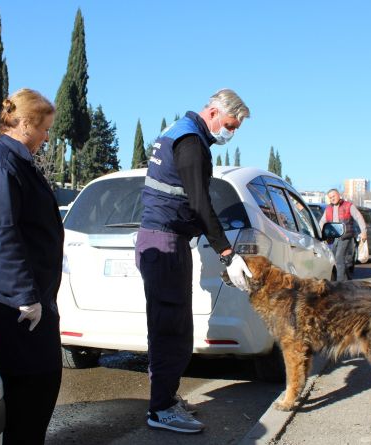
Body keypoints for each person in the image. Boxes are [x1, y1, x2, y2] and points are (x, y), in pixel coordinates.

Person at [135, 88, 253, 434]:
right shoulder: (190, 143)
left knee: (172, 326)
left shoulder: (179, 132)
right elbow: (200, 204)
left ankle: (166, 398)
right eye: (230, 125)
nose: (229, 134)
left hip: (164, 239)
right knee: (171, 330)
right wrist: (228, 253)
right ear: (214, 112)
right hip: (165, 242)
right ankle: (160, 409)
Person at [0, 88, 64, 444]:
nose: (47, 137)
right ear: (23, 124)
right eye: (44, 128)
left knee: (38, 390)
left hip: (27, 300)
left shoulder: (15, 161)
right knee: (32, 391)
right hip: (13, 306)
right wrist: (24, 294)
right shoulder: (0, 164)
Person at [318, 189, 367, 281]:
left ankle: (340, 284)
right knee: (334, 259)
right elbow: (322, 221)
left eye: (334, 196)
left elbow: (359, 217)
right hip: (333, 238)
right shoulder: (328, 208)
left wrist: (363, 231)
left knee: (339, 258)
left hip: (345, 237)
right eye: (330, 197)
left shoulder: (348, 206)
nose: (332, 198)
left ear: (338, 195)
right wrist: (319, 233)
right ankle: (347, 280)